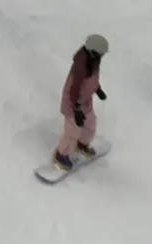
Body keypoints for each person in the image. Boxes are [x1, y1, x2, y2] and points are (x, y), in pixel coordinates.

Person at [54, 34, 109, 170]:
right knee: (72, 131)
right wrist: (76, 109)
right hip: (72, 102)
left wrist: (98, 89)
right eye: (100, 54)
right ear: (93, 51)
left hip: (85, 101)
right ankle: (61, 155)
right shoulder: (81, 66)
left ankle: (82, 144)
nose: (102, 56)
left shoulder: (94, 61)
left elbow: (93, 80)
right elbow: (74, 89)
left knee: (90, 125)